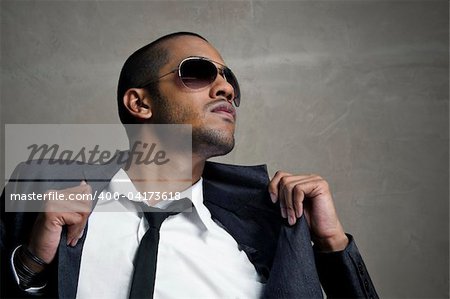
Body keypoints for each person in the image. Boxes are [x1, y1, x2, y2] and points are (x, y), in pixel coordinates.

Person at [1, 32, 378, 298]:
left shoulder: (271, 224)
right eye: (197, 71)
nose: (226, 87)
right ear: (140, 103)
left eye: (230, 79)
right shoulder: (41, 188)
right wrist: (30, 265)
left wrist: (332, 245)